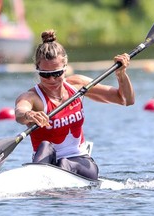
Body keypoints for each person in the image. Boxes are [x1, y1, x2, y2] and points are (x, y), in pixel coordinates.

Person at [15, 29, 134, 180]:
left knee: (64, 163)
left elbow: (125, 100)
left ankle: (47, 177)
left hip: (82, 163)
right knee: (45, 145)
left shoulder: (78, 85)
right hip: (46, 162)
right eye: (45, 74)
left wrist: (121, 75)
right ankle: (40, 179)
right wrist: (29, 114)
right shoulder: (32, 97)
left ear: (65, 67)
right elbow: (20, 112)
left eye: (57, 73)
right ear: (37, 70)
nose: (52, 79)